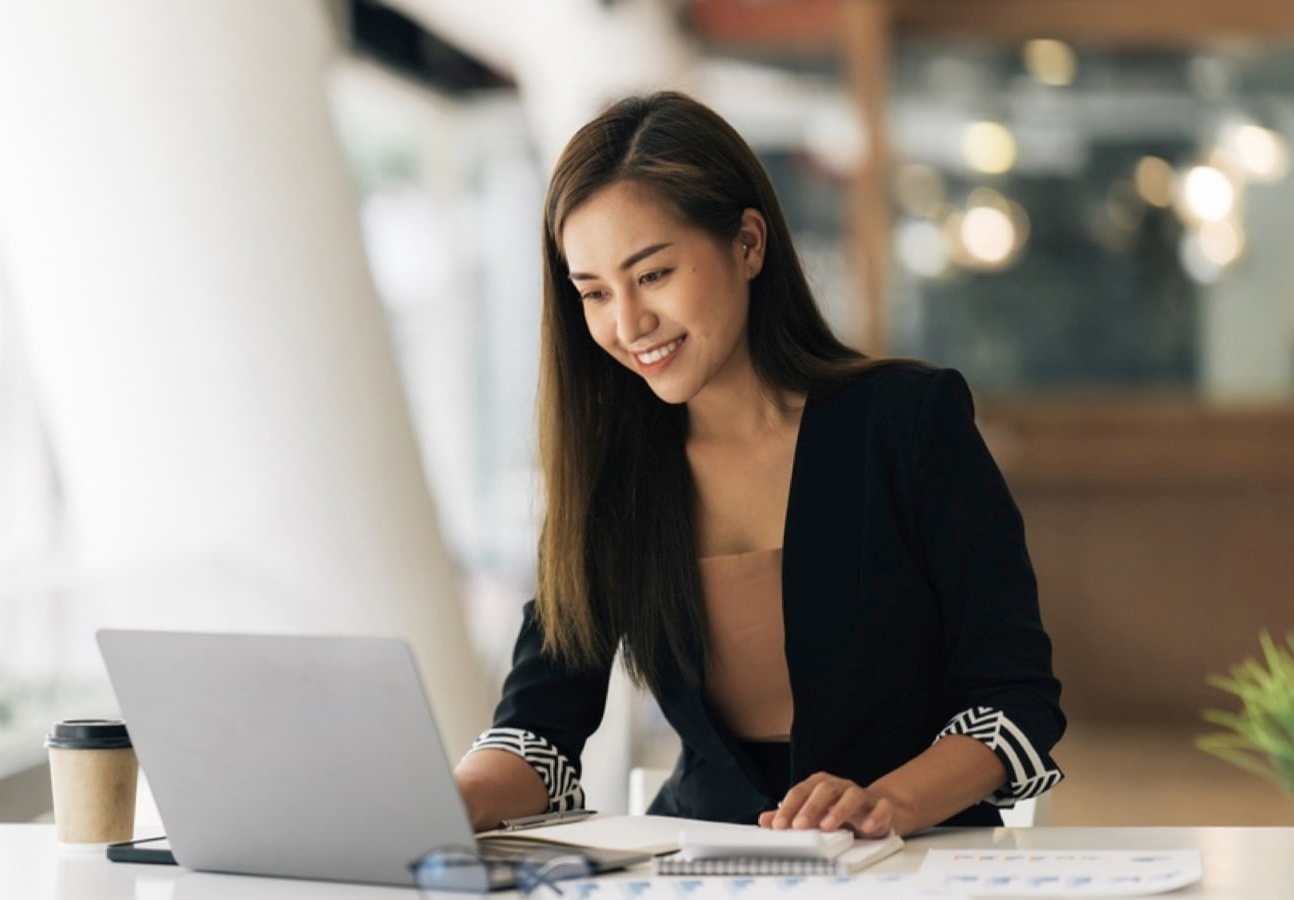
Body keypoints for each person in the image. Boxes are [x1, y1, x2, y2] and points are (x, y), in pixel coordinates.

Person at [452, 91, 1065, 838]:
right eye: (594, 293)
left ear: (747, 243)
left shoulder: (908, 424)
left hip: (914, 862)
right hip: (700, 865)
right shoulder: (613, 477)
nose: (626, 324)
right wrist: (442, 800)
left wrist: (890, 802)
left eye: (652, 276)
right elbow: (538, 731)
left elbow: (1013, 699)